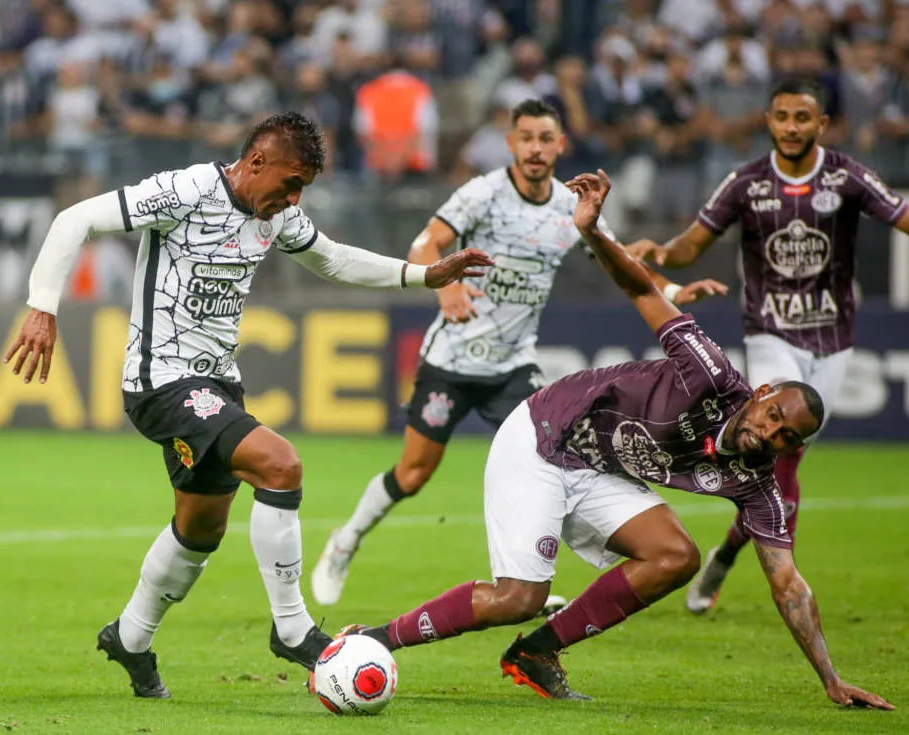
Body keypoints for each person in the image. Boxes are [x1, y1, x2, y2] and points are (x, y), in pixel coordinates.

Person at [337, 170, 893, 711]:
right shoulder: (711, 375)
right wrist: (593, 231)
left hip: (599, 469)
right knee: (518, 598)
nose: (768, 431)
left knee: (676, 556)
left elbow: (789, 585)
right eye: (773, 415)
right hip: (544, 437)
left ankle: (538, 652)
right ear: (762, 392)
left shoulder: (756, 483)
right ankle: (372, 638)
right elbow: (640, 287)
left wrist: (832, 679)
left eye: (784, 435)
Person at [2, 111, 492, 699]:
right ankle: (292, 628)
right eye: (290, 182)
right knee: (280, 464)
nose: (294, 197)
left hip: (216, 386)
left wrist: (423, 276)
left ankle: (129, 637)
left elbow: (332, 259)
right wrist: (42, 306)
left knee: (199, 529)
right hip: (163, 381)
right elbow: (74, 218)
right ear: (256, 162)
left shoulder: (277, 216)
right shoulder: (186, 191)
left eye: (303, 187)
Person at [310, 98, 728, 608]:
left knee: (553, 458)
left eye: (544, 138)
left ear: (560, 145)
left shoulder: (569, 208)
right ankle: (345, 541)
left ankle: (525, 579)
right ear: (511, 143)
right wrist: (446, 289)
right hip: (452, 360)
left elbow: (621, 265)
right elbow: (426, 243)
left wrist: (677, 295)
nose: (535, 148)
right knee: (414, 473)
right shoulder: (483, 194)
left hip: (514, 365)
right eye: (525, 137)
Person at [626, 77, 909, 615]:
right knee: (784, 459)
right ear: (769, 120)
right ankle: (785, 576)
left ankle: (729, 552)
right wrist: (661, 250)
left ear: (821, 124)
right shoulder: (748, 183)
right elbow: (692, 243)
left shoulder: (847, 176)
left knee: (783, 462)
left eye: (801, 118)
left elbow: (903, 216)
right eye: (781, 116)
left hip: (833, 342)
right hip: (771, 335)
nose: (790, 127)